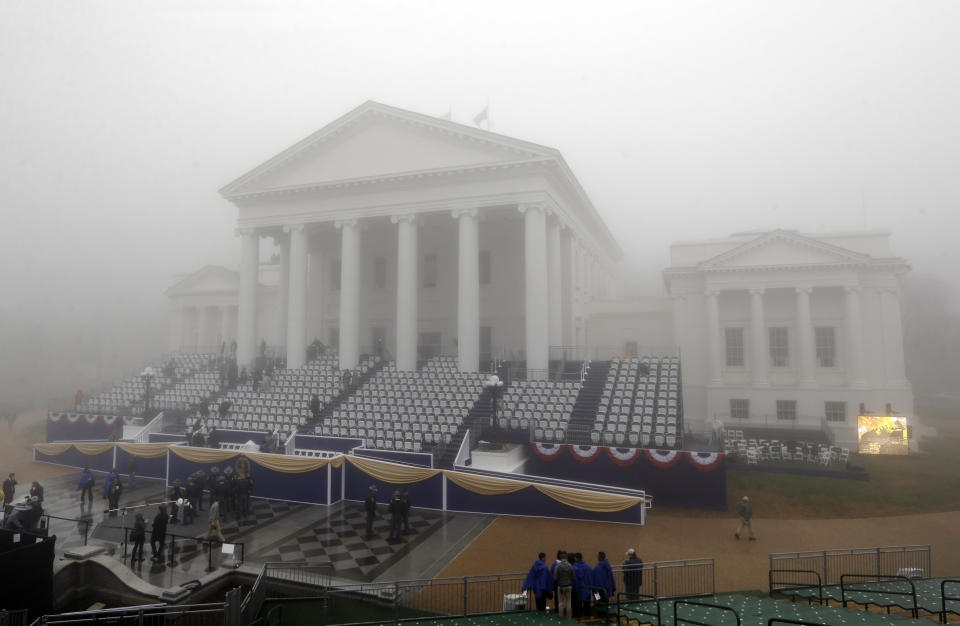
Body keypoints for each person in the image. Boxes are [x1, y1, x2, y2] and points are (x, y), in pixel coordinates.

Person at [554, 552, 575, 618]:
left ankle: (561, 616)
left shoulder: (557, 566)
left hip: (560, 586)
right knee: (569, 602)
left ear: (560, 558)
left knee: (561, 603)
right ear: (566, 557)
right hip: (568, 586)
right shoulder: (570, 566)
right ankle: (569, 617)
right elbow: (574, 577)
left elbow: (555, 578)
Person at [573, 553, 593, 618]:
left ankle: (578, 617)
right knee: (587, 605)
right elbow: (590, 578)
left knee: (578, 605)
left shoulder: (574, 568)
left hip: (578, 589)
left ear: (576, 558)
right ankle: (587, 616)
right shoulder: (588, 567)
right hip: (586, 588)